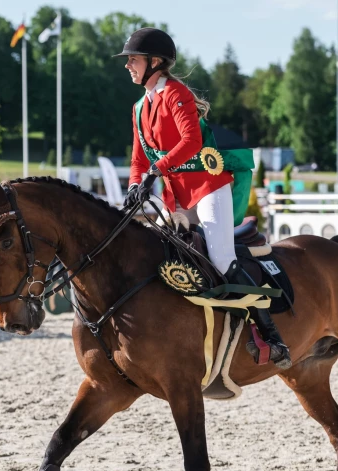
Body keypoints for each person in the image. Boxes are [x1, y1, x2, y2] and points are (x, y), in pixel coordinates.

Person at [115, 28, 291, 369]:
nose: (128, 67)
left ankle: (270, 334)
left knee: (222, 258)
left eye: (133, 60)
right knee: (157, 253)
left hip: (207, 189)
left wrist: (156, 169)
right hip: (175, 199)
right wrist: (133, 186)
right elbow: (138, 160)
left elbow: (191, 142)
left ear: (155, 62)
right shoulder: (139, 108)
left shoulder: (175, 93)